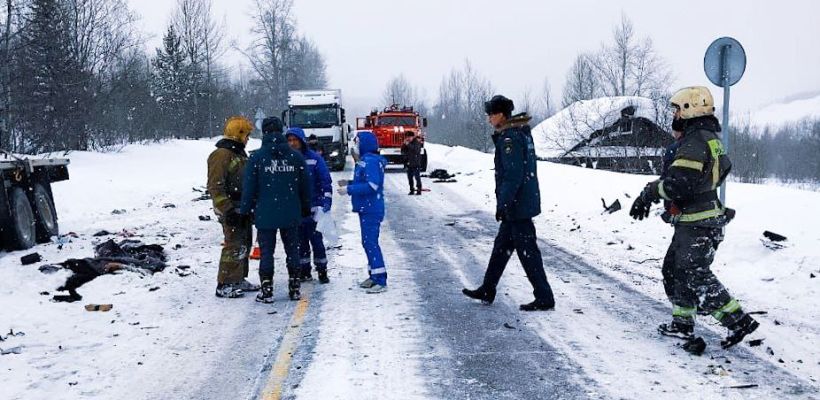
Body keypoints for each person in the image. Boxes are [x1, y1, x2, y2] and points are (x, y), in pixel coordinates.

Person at [629, 86, 758, 349]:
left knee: (693, 273)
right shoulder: (708, 138)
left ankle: (738, 320)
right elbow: (722, 169)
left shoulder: (694, 141)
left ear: (689, 109)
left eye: (677, 109)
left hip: (699, 222)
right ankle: (682, 324)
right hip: (696, 219)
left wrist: (650, 192)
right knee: (675, 270)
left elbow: (679, 183)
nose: (674, 114)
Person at [462, 95, 556, 311]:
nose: (488, 119)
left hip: (517, 206)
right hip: (519, 204)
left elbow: (513, 175)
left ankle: (544, 297)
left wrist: (503, 203)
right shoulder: (519, 133)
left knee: (528, 253)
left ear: (502, 115)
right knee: (501, 249)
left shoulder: (509, 139)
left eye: (491, 114)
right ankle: (488, 288)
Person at [240, 117, 312, 303]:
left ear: (264, 132)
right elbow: (305, 187)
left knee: (266, 253)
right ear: (281, 131)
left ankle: (267, 289)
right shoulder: (296, 157)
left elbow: (249, 188)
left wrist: (245, 210)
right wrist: (305, 208)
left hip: (265, 213)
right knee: (292, 251)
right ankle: (294, 287)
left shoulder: (256, 158)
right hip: (291, 211)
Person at [207, 116, 260, 298]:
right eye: (246, 134)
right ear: (238, 134)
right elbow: (215, 186)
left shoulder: (238, 153)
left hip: (242, 206)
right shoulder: (221, 154)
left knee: (244, 243)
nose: (248, 139)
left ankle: (238, 278)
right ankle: (224, 283)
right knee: (233, 245)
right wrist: (227, 210)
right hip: (230, 207)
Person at [336, 131, 388, 294]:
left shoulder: (370, 161)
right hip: (366, 208)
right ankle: (374, 275)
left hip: (371, 209)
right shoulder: (366, 161)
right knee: (367, 242)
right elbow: (365, 181)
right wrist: (350, 182)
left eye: (357, 143)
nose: (356, 146)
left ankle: (380, 279)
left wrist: (349, 189)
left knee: (371, 243)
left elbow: (372, 185)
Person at [286, 127, 333, 284]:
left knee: (317, 242)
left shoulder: (314, 158)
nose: (292, 143)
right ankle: (304, 271)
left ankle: (322, 270)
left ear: (301, 141)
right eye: (289, 140)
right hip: (295, 210)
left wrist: (326, 202)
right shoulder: (286, 160)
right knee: (300, 243)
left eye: (295, 140)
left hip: (314, 210)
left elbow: (325, 180)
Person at [400, 131, 424, 195]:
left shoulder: (416, 142)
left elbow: (416, 150)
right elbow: (402, 151)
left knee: (417, 177)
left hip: (416, 163)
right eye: (407, 137)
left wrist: (408, 144)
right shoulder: (406, 143)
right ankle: (412, 189)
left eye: (410, 137)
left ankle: (419, 189)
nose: (408, 138)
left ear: (413, 137)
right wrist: (404, 146)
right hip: (409, 163)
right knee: (410, 178)